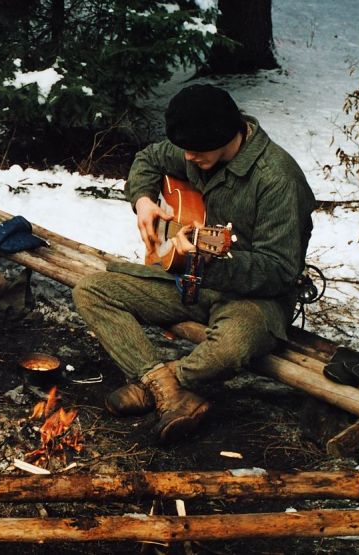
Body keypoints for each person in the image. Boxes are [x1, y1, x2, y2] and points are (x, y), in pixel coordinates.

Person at [73, 84, 316, 444]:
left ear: (225, 136)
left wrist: (204, 262)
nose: (187, 158)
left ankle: (167, 382)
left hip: (255, 298)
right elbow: (150, 158)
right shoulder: (200, 149)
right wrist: (142, 200)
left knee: (234, 344)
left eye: (195, 151)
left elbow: (279, 270)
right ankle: (165, 388)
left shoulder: (278, 180)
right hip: (194, 281)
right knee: (91, 290)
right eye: (185, 149)